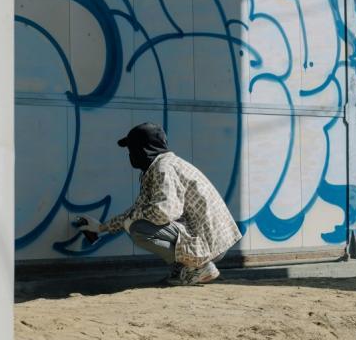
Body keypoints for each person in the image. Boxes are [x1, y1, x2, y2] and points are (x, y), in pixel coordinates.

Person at [75, 122, 242, 286]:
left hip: (209, 243)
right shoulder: (160, 166)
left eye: (132, 148)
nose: (130, 154)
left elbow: (164, 212)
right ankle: (188, 266)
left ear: (143, 149)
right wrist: (101, 228)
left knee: (139, 229)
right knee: (138, 220)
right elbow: (140, 210)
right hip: (211, 239)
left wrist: (132, 219)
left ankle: (199, 267)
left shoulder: (163, 169)